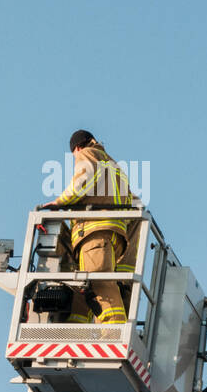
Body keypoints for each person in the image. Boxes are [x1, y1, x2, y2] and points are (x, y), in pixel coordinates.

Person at [41, 130, 138, 324]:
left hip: (94, 234)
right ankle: (76, 326)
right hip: (114, 236)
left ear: (76, 148)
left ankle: (113, 334)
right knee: (86, 287)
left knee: (100, 286)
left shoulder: (87, 154)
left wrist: (60, 202)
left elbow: (83, 180)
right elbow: (132, 201)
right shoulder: (114, 165)